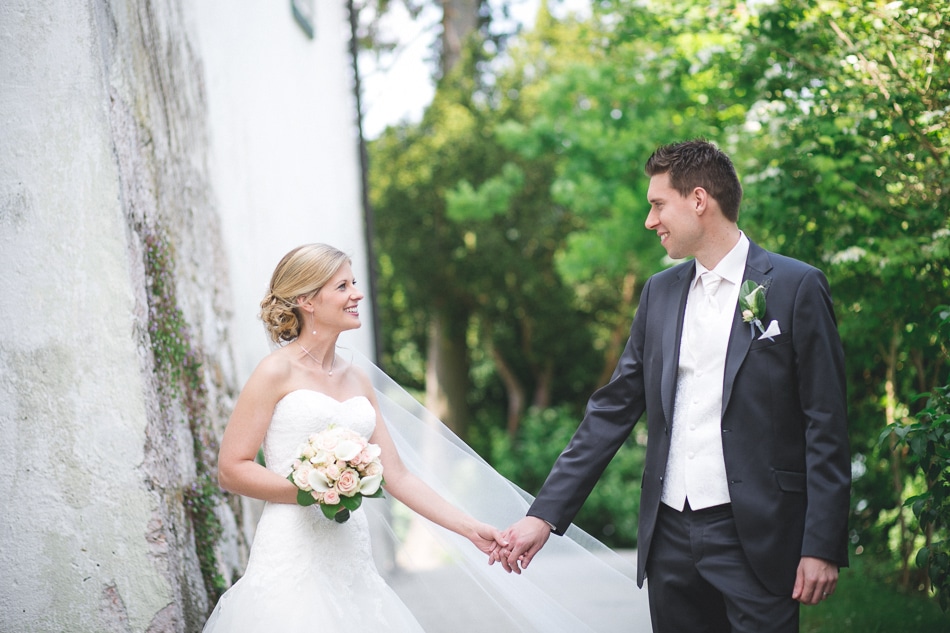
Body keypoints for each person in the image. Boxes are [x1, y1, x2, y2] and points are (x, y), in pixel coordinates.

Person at [496, 139, 851, 633]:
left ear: (699, 200)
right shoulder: (660, 294)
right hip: (670, 540)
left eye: (658, 204)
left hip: (759, 538)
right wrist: (545, 515)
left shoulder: (796, 286)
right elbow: (613, 410)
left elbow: (826, 422)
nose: (650, 220)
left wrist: (821, 544)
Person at [202, 244, 507, 632]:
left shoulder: (357, 378)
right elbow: (232, 469)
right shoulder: (274, 372)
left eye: (354, 284)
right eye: (343, 286)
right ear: (306, 300)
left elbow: (398, 476)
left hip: (350, 550)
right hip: (292, 548)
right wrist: (315, 490)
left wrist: (469, 528)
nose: (357, 294)